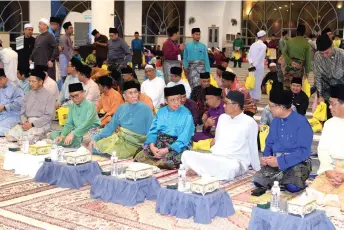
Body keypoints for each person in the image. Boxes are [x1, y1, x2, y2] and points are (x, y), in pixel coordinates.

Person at [182, 91, 260, 180]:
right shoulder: (223, 118)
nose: (223, 105)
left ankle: (201, 170)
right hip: (217, 157)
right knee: (186, 154)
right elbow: (217, 141)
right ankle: (206, 170)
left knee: (230, 168)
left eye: (226, 103)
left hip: (235, 161)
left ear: (236, 105)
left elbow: (253, 146)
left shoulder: (249, 122)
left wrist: (257, 168)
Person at [253, 88, 313, 193]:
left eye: (271, 106)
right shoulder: (275, 121)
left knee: (292, 186)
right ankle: (281, 179)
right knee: (258, 180)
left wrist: (280, 162)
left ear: (281, 107)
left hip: (298, 161)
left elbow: (304, 151)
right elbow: (269, 144)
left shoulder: (301, 122)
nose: (269, 109)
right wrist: (266, 159)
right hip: (276, 161)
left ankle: (284, 179)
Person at [304, 84, 344, 211]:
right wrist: (328, 171)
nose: (330, 107)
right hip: (331, 170)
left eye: (333, 104)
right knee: (312, 197)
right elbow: (323, 150)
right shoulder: (329, 123)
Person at [135, 85, 195, 169]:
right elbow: (153, 131)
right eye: (172, 100)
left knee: (173, 158)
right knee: (140, 154)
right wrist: (152, 147)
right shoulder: (161, 112)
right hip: (162, 140)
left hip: (178, 143)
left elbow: (185, 137)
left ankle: (159, 161)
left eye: (178, 99)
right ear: (166, 101)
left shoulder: (186, 114)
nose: (176, 102)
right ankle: (157, 158)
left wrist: (167, 150)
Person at [89, 81, 154, 158]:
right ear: (124, 96)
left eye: (135, 92)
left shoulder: (145, 108)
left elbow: (152, 130)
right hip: (120, 139)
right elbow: (110, 127)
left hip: (136, 143)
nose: (134, 96)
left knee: (110, 154)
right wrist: (95, 138)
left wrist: (148, 146)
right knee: (96, 145)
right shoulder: (121, 108)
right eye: (130, 93)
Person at [7, 68, 55, 140]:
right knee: (10, 135)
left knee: (28, 137)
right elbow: (22, 112)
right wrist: (25, 122)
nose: (30, 84)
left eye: (33, 81)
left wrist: (32, 124)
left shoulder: (49, 96)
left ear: (41, 82)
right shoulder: (28, 94)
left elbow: (48, 116)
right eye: (29, 81)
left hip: (41, 124)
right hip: (27, 123)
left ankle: (40, 136)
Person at [51, 83, 100, 148]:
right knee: (54, 134)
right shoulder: (72, 106)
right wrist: (63, 135)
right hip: (76, 131)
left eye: (76, 95)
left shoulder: (90, 105)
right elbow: (69, 124)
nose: (74, 98)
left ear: (83, 93)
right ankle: (62, 142)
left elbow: (87, 124)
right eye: (72, 96)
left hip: (89, 131)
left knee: (75, 139)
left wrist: (73, 133)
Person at [314, 33, 344, 119]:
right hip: (328, 89)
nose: (324, 56)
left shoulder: (341, 55)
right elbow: (318, 77)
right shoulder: (317, 56)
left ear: (332, 46)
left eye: (326, 52)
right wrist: (320, 96)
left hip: (342, 87)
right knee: (329, 115)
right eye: (322, 53)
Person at [0, 69, 24, 136]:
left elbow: (20, 104)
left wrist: (4, 107)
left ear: (3, 79)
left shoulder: (15, 88)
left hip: (12, 116)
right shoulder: (1, 87)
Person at [247, 30, 267, 102]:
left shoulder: (253, 44)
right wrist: (255, 65)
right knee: (257, 82)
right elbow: (260, 57)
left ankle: (250, 97)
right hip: (258, 67)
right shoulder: (263, 46)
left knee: (251, 81)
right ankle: (255, 98)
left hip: (251, 66)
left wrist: (251, 63)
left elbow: (248, 55)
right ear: (263, 36)